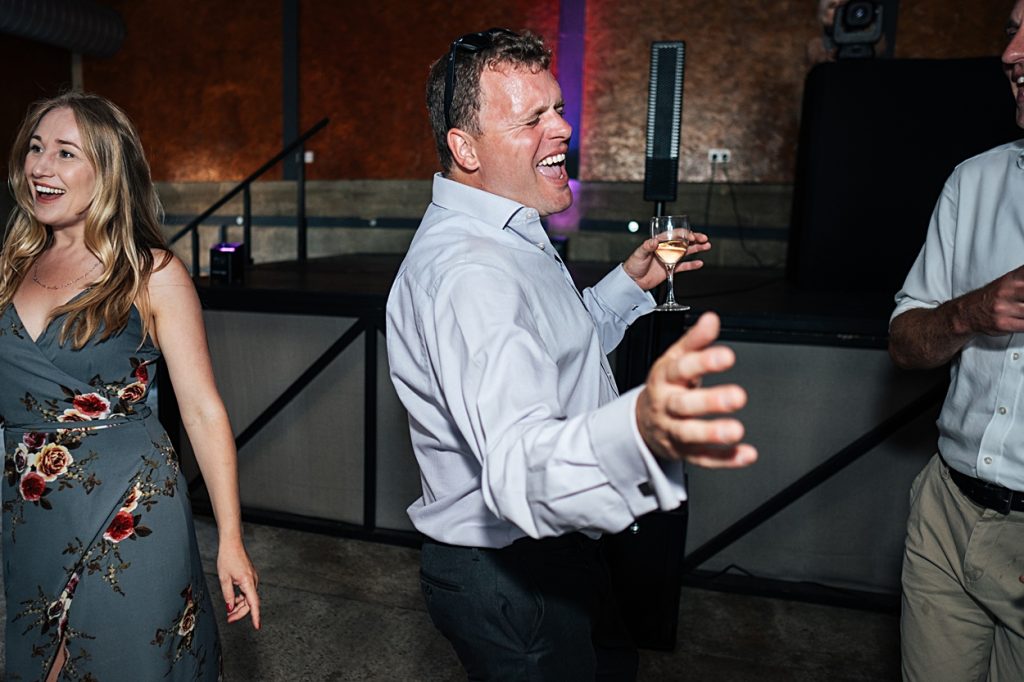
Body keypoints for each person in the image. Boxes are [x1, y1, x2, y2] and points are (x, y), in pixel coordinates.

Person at [386, 28, 757, 680]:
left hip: (547, 554)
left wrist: (630, 281)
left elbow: (556, 349)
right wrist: (636, 428)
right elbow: (520, 461)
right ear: (465, 147)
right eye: (533, 119)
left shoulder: (505, 227)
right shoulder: (470, 272)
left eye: (557, 109)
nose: (563, 130)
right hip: (508, 570)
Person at [0, 92, 260, 680]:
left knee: (127, 662)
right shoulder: (9, 266)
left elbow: (202, 410)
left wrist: (231, 539)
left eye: (66, 153)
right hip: (33, 515)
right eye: (36, 149)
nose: (41, 166)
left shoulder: (151, 273)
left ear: (107, 170)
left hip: (133, 507)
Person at [889, 3, 1024, 679]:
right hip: (948, 508)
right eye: (1011, 29)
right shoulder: (976, 180)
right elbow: (905, 342)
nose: (1011, 53)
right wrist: (967, 313)